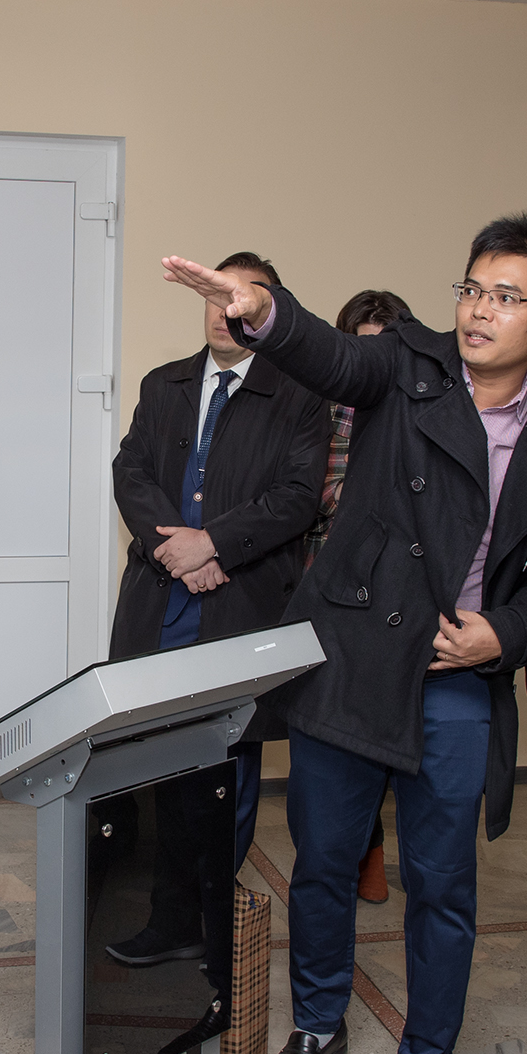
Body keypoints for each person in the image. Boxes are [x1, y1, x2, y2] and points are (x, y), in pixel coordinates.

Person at [160, 213, 527, 1054]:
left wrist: (505, 632)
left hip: (453, 673)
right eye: (472, 288)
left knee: (442, 884)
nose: (479, 311)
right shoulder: (405, 362)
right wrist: (264, 309)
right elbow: (331, 356)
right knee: (322, 860)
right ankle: (318, 1023)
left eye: (506, 296)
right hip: (355, 652)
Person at [104, 250, 326, 972]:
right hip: (161, 601)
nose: (225, 313)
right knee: (157, 768)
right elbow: (130, 472)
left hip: (239, 609)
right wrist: (177, 548)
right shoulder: (162, 384)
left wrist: (214, 544)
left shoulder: (299, 395)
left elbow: (297, 498)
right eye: (215, 297)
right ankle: (166, 918)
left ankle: (213, 928)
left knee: (226, 773)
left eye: (243, 300)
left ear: (268, 311)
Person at [308, 288, 417, 904]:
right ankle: (352, 850)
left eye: (386, 347)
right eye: (362, 346)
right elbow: (315, 491)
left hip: (386, 599)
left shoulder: (419, 411)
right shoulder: (322, 407)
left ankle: (369, 848)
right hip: (321, 588)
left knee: (372, 730)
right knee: (328, 737)